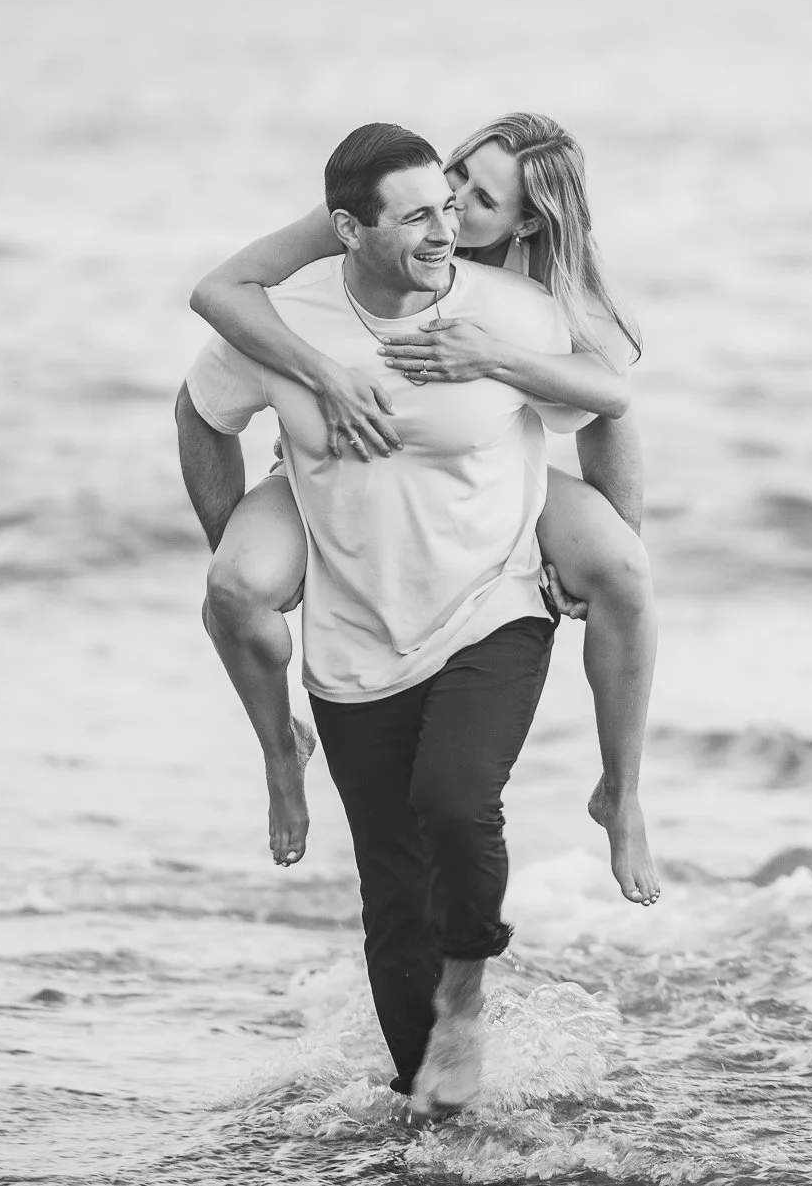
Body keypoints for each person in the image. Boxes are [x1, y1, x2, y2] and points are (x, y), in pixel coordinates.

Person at [173, 122, 615, 1119]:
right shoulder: (290, 319)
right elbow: (199, 409)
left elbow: (609, 398)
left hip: (490, 603)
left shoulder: (510, 312)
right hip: (354, 634)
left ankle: (466, 997)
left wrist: (613, 547)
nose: (444, 229)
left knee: (457, 801)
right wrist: (237, 536)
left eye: (454, 208)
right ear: (348, 231)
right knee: (390, 887)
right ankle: (431, 1102)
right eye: (418, 213)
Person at [188, 112, 659, 906]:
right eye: (457, 175)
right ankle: (280, 752)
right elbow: (220, 292)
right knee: (236, 584)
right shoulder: (382, 215)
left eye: (480, 201)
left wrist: (587, 553)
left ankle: (622, 793)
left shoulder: (544, 288)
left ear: (526, 221)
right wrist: (321, 378)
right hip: (340, 462)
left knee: (620, 567)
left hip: (488, 463)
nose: (455, 204)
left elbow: (613, 401)